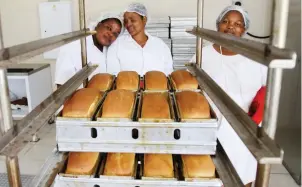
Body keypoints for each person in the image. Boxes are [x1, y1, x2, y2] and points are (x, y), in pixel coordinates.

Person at [190, 5, 267, 187]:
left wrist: (261, 109)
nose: (231, 27)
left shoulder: (255, 57)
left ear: (244, 30)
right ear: (218, 25)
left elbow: (267, 88)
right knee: (211, 175)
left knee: (244, 175)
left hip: (246, 128)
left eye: (237, 24)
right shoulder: (202, 55)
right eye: (226, 21)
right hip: (212, 127)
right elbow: (191, 89)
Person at [55, 13, 123, 87]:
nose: (111, 34)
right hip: (79, 97)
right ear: (98, 25)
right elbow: (61, 86)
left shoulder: (108, 50)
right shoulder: (72, 47)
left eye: (115, 34)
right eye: (109, 28)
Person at [106, 3, 173, 76]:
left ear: (144, 19)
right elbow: (113, 77)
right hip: (125, 87)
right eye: (125, 21)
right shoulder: (116, 46)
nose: (128, 24)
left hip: (157, 87)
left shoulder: (161, 46)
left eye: (133, 20)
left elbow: (168, 75)